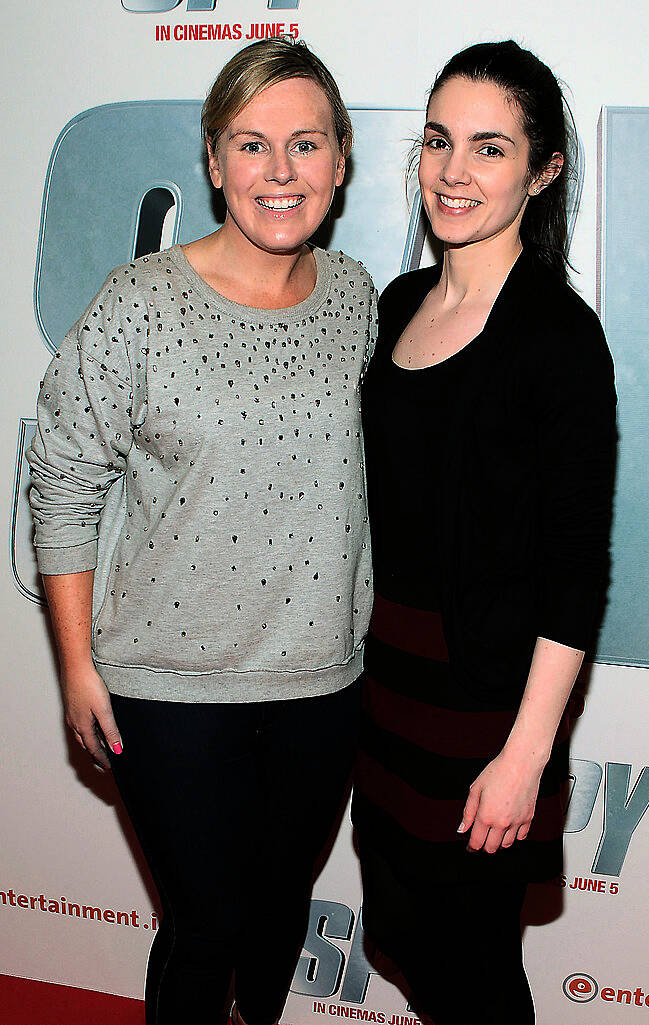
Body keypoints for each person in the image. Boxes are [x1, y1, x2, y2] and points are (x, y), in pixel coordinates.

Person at [28, 37, 376, 1025]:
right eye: (252, 144)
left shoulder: (355, 298)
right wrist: (76, 669)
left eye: (305, 144)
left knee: (275, 917)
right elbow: (62, 481)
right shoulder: (140, 303)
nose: (280, 171)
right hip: (165, 686)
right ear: (214, 161)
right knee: (208, 921)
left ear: (340, 160)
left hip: (321, 682)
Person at [352, 40, 617, 1024]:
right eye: (438, 141)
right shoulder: (400, 303)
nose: (454, 172)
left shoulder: (558, 337)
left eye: (490, 148)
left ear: (544, 170)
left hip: (486, 716)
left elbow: (576, 573)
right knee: (412, 947)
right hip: (388, 699)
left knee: (474, 979)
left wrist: (525, 757)